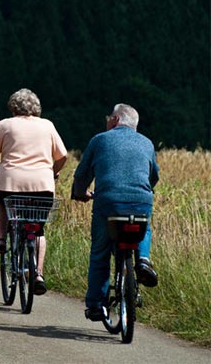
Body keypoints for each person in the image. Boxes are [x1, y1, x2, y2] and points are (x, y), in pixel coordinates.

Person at [72, 103, 159, 321]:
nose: (107, 120)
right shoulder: (147, 143)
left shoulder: (100, 139)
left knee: (100, 251)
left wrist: (80, 193)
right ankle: (143, 260)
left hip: (108, 202)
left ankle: (95, 305)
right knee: (144, 223)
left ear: (116, 119)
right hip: (141, 199)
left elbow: (82, 173)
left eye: (109, 116)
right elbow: (153, 176)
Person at [0, 88, 67, 295]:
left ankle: (1, 238)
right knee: (38, 230)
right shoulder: (48, 126)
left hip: (10, 183)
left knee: (1, 202)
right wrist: (51, 172)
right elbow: (62, 157)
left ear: (13, 107)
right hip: (42, 186)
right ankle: (38, 274)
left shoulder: (5, 125)